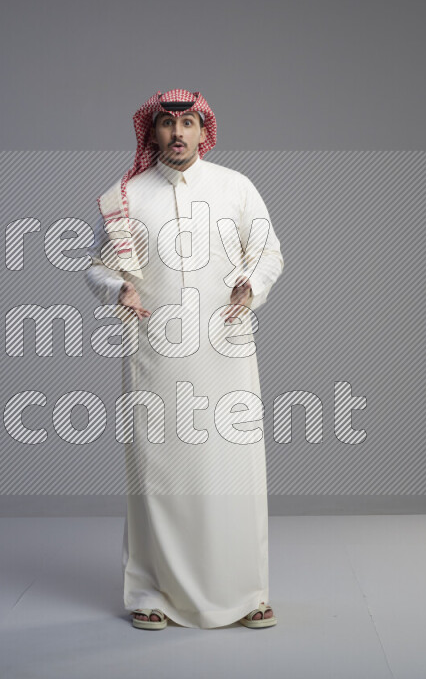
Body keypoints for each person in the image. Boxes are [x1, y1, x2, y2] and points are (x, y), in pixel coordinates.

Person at [85, 89, 284, 629]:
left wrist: (250, 285)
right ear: (151, 133)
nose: (178, 134)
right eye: (167, 125)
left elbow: (268, 252)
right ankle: (151, 594)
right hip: (154, 352)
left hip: (225, 348)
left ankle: (247, 592)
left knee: (234, 468)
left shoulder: (236, 188)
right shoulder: (125, 195)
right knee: (158, 472)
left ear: (203, 130)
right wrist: (116, 291)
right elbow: (99, 267)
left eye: (188, 123)